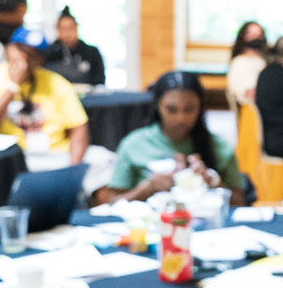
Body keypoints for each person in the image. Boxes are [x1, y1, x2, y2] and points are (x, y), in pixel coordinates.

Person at [96, 71, 246, 205]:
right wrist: (147, 188)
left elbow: (240, 202)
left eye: (189, 109)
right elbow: (108, 202)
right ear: (158, 106)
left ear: (200, 107)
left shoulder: (220, 148)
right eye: (171, 109)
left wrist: (213, 183)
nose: (181, 118)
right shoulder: (134, 144)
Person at [0, 27, 89, 166]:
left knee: (103, 159)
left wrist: (73, 168)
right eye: (21, 49)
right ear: (8, 49)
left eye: (33, 54)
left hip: (55, 153)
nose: (25, 57)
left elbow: (79, 127)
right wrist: (12, 87)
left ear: (41, 59)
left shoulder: (57, 82)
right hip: (10, 159)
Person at [44, 6, 106, 87]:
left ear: (76, 28)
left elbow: (99, 81)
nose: (67, 33)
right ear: (58, 30)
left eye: (70, 28)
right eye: (63, 29)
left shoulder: (91, 52)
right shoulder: (49, 53)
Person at [226, 21, 269, 105]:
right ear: (244, 37)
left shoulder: (265, 62)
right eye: (252, 35)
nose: (256, 39)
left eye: (259, 36)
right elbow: (245, 93)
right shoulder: (238, 63)